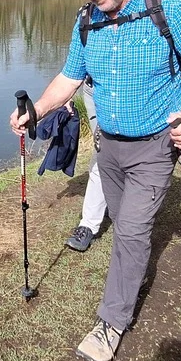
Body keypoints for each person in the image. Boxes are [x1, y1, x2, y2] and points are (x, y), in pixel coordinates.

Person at [9, 0, 181, 361]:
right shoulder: (87, 21)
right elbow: (69, 78)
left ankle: (111, 322)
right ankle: (125, 283)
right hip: (109, 147)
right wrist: (38, 111)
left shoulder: (167, 9)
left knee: (130, 230)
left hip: (155, 146)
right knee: (127, 226)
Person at [64, 79, 105, 252]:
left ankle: (120, 203)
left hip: (130, 95)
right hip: (92, 89)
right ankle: (88, 225)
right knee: (101, 152)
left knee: (112, 155)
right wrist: (67, 93)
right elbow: (76, 62)